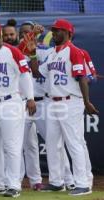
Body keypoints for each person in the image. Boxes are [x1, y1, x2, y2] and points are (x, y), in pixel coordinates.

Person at [35, 19, 98, 196]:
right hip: (52, 101)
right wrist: (32, 55)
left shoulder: (74, 52)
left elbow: (83, 78)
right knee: (52, 143)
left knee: (74, 142)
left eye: (58, 30)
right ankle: (56, 182)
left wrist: (86, 102)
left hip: (70, 101)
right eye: (53, 30)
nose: (53, 33)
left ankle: (83, 183)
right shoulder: (52, 53)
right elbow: (38, 72)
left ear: (69, 33)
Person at [0, 21, 36, 198]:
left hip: (10, 102)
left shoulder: (13, 51)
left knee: (12, 146)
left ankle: (14, 185)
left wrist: (30, 97)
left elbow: (25, 75)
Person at [18, 21, 75, 191]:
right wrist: (30, 36)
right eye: (24, 33)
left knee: (55, 144)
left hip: (43, 102)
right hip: (22, 103)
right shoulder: (16, 53)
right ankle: (26, 181)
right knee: (20, 145)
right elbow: (22, 49)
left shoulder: (47, 51)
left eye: (31, 32)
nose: (27, 36)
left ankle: (68, 179)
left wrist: (34, 40)